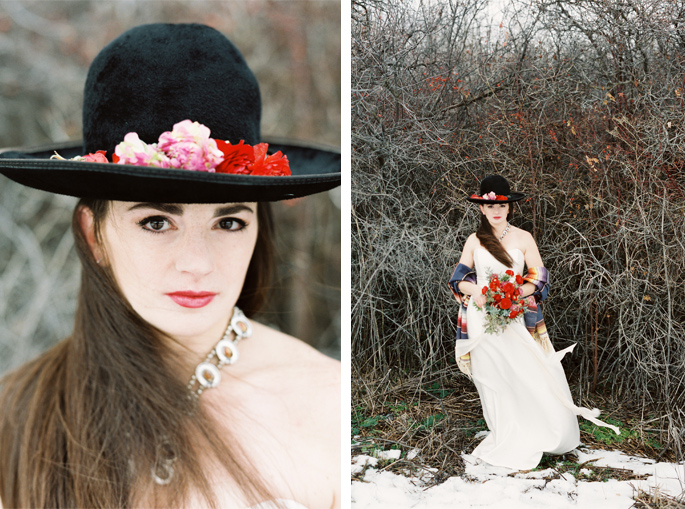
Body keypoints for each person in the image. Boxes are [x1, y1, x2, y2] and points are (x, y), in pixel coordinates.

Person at [0, 24, 340, 508]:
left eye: (229, 224)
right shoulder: (16, 416)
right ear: (94, 234)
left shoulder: (324, 404)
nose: (198, 265)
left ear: (259, 229)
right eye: (156, 222)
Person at [448, 175, 618, 471]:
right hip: (481, 317)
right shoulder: (474, 240)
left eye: (501, 205)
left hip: (514, 314)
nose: (496, 211)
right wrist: (476, 290)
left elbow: (539, 277)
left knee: (528, 369)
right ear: (482, 210)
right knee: (493, 376)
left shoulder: (523, 237)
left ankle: (543, 429)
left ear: (509, 207)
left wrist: (514, 293)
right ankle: (505, 431)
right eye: (490, 206)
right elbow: (458, 278)